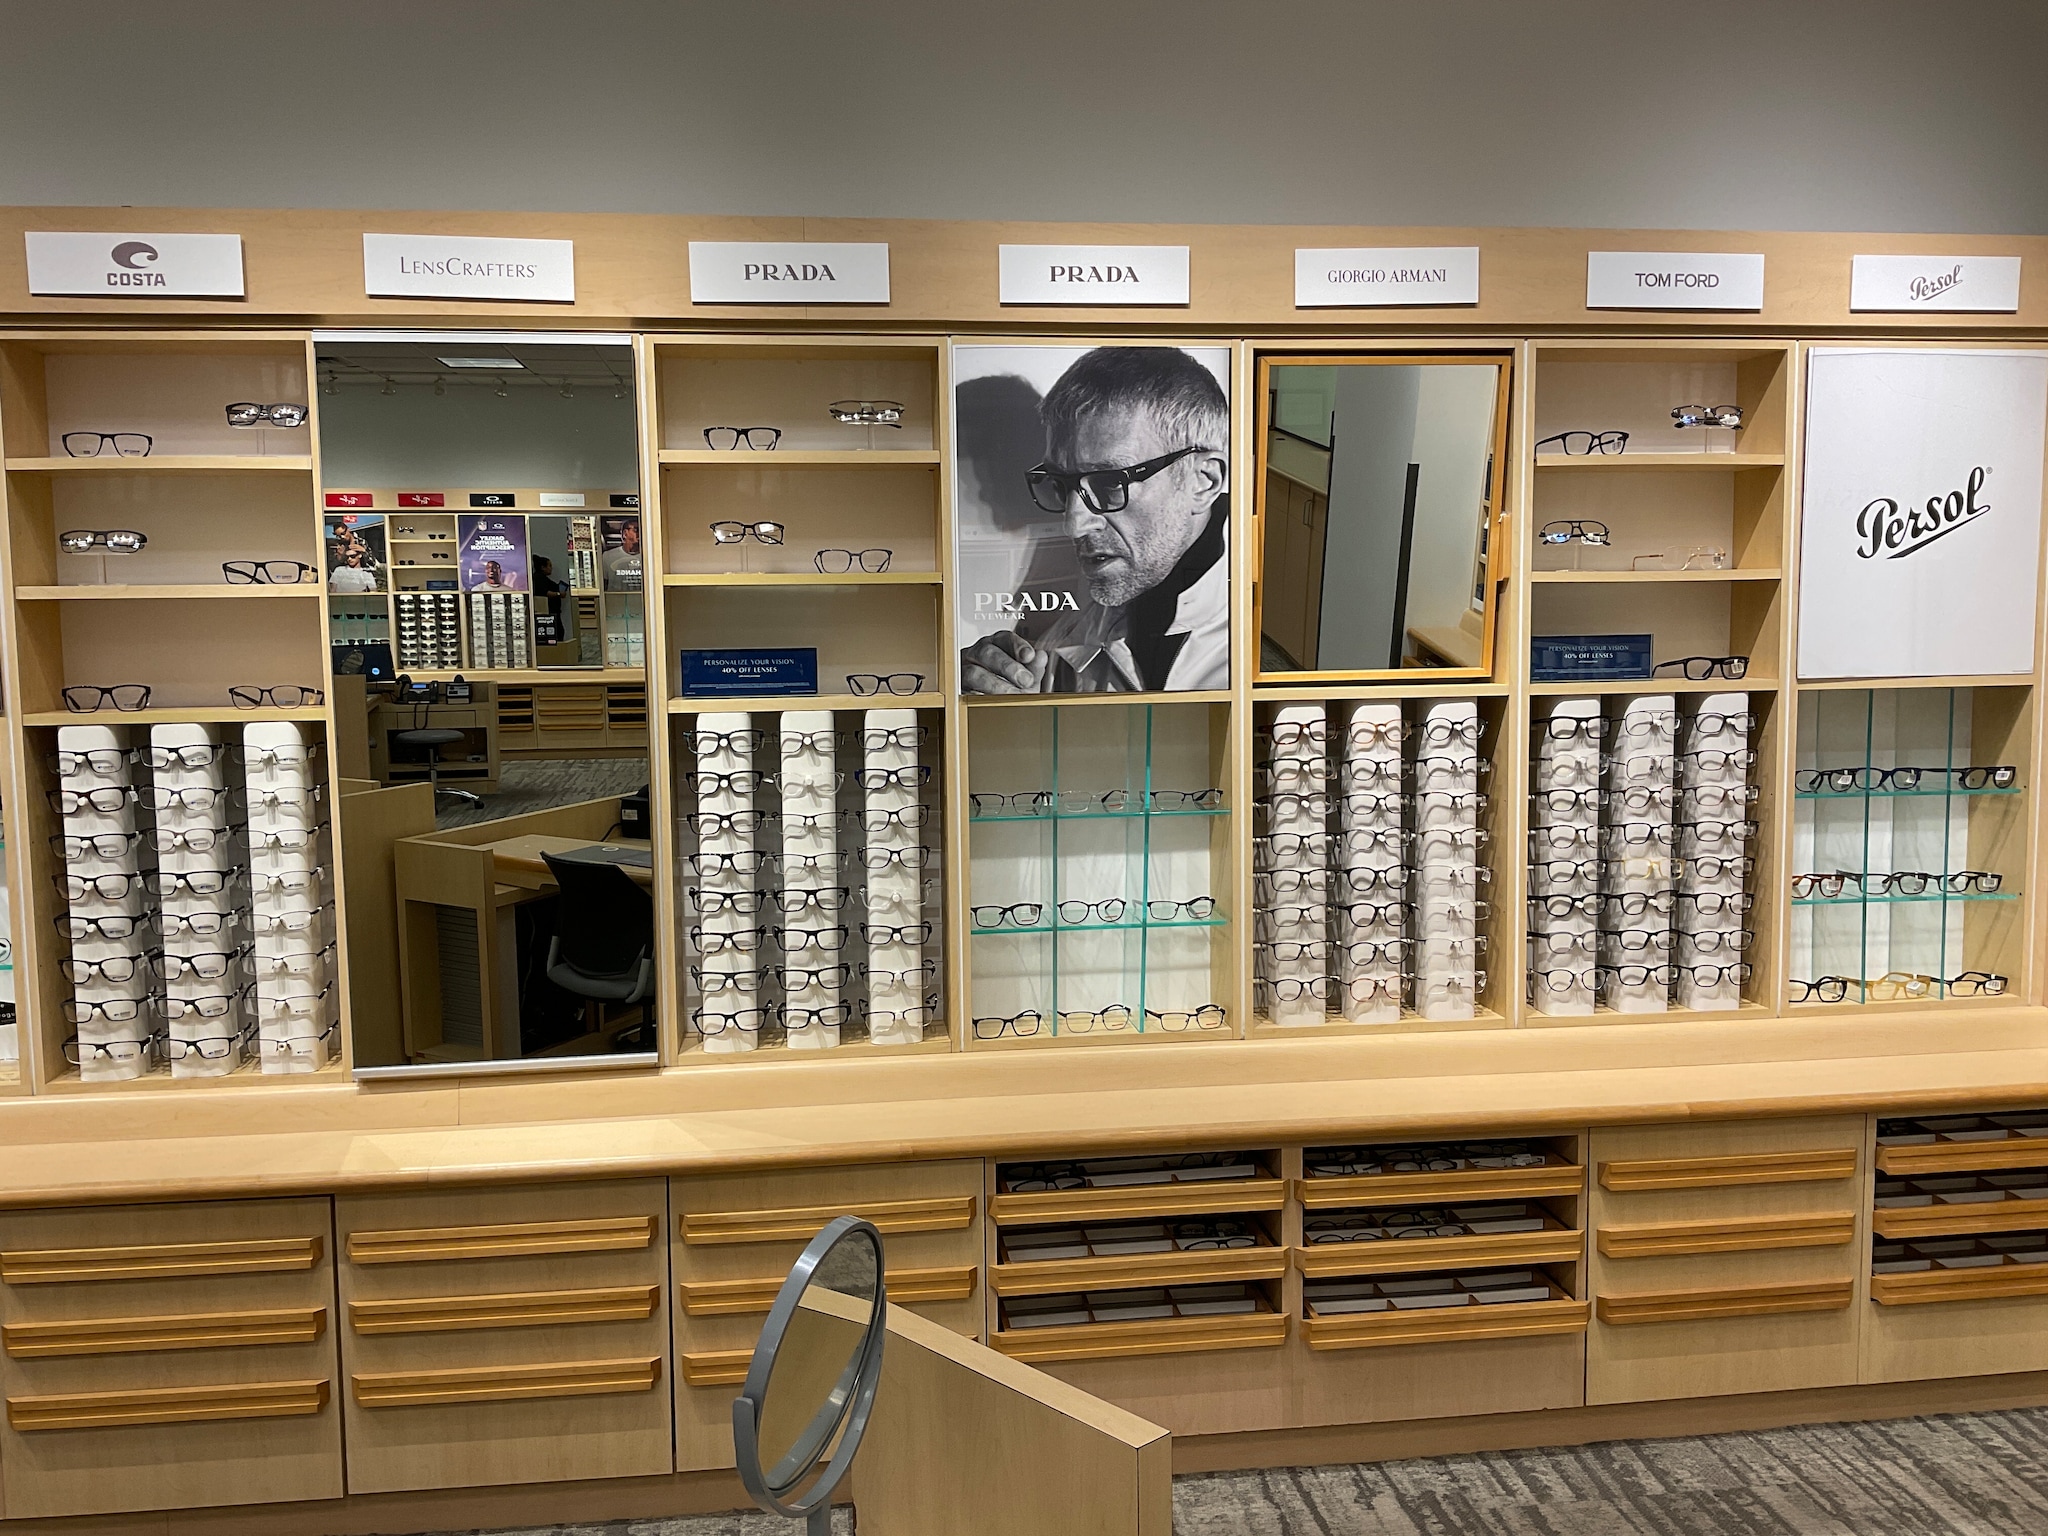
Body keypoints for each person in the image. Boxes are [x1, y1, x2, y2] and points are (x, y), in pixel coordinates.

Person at [960, 347, 1229, 693]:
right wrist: (1011, 705)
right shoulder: (1069, 637)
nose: (1073, 525)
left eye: (1111, 483)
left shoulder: (1267, 642)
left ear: (1203, 481)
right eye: (1060, 485)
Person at [603, 517, 643, 589]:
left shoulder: (649, 557)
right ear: (625, 533)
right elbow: (603, 584)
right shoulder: (608, 556)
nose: (640, 533)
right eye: (636, 530)